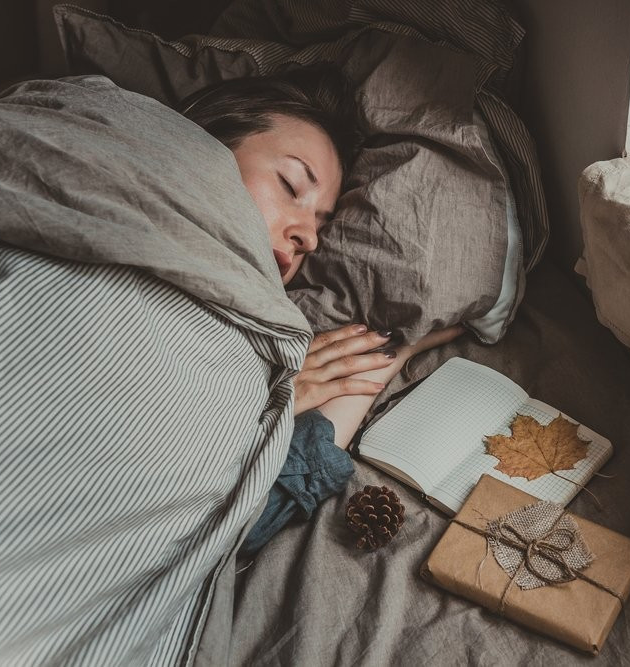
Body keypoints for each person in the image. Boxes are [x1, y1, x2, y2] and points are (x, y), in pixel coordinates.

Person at [180, 66, 462, 556]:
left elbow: (230, 529)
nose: (308, 236)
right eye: (291, 186)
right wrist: (250, 403)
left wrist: (391, 355)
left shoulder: (255, 337)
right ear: (199, 145)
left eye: (319, 223)